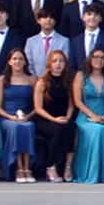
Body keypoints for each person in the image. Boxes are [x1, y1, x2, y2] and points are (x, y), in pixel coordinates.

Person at [0, 49, 42, 184]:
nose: (18, 62)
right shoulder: (3, 79)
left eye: (21, 59)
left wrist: (28, 117)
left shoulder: (32, 79)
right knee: (16, 128)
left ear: (25, 61)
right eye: (14, 59)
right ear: (9, 62)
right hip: (8, 117)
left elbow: (37, 105)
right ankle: (19, 168)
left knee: (28, 127)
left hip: (27, 117)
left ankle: (27, 168)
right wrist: (12, 118)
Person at [71, 49, 104, 184]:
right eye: (96, 57)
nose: (99, 60)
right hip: (86, 115)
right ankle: (90, 172)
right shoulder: (81, 76)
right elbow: (77, 101)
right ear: (90, 59)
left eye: (102, 58)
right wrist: (93, 115)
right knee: (96, 130)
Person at [32, 51, 79, 183]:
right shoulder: (42, 83)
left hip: (63, 118)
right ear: (49, 64)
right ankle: (51, 166)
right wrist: (54, 119)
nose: (58, 64)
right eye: (55, 61)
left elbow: (71, 105)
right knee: (58, 129)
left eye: (61, 61)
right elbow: (38, 108)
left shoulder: (68, 83)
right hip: (45, 120)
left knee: (72, 127)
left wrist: (67, 117)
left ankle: (67, 166)